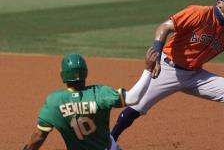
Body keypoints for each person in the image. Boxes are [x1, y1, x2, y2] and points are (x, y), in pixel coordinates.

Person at [111, 0, 224, 149]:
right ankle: (109, 142)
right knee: (135, 107)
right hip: (167, 68)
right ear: (219, 2)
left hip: (195, 75)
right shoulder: (199, 13)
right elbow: (164, 27)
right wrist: (156, 55)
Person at [23, 48, 158, 150]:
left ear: (63, 75)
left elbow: (39, 135)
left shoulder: (54, 102)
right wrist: (147, 69)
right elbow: (133, 98)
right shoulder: (99, 93)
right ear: (85, 72)